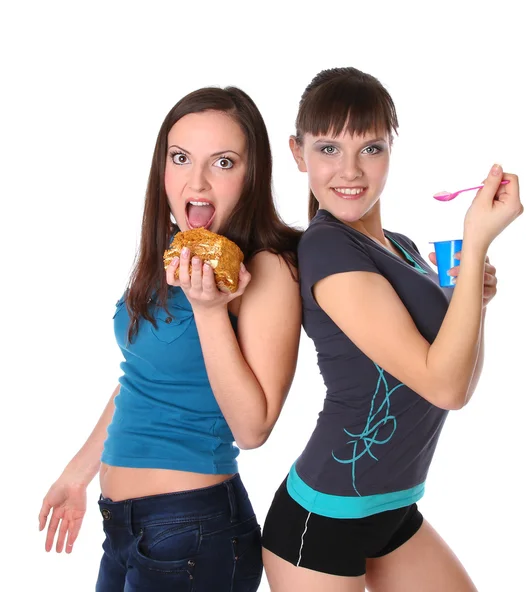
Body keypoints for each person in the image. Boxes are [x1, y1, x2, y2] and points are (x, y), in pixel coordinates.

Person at [262, 67, 523, 592]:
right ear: (297, 153)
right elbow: (445, 386)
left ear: (391, 149)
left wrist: (475, 297)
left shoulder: (400, 247)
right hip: (323, 520)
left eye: (371, 148)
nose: (350, 170)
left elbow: (460, 381)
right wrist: (474, 244)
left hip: (393, 508)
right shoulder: (328, 248)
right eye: (328, 149)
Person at [38, 86, 302, 591]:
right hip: (121, 529)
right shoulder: (174, 253)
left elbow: (253, 429)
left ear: (252, 175)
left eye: (222, 162)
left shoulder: (268, 269)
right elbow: (141, 380)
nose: (196, 180)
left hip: (193, 534)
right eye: (180, 158)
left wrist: (209, 310)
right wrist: (77, 474)